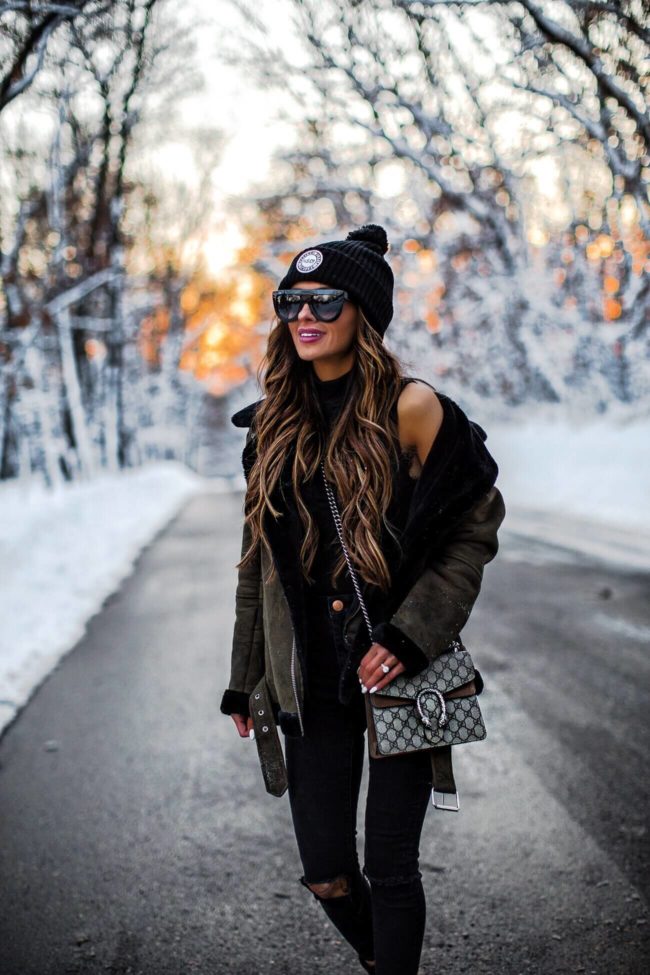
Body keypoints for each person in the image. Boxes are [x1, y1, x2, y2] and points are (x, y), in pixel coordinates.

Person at [220, 224, 506, 975]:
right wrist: (245, 675)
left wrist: (412, 635)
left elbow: (471, 533)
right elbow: (258, 566)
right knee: (325, 869)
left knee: (391, 866)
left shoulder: (413, 409)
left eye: (325, 300)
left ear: (365, 314)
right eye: (291, 301)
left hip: (396, 670)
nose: (305, 316)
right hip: (309, 676)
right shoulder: (271, 427)